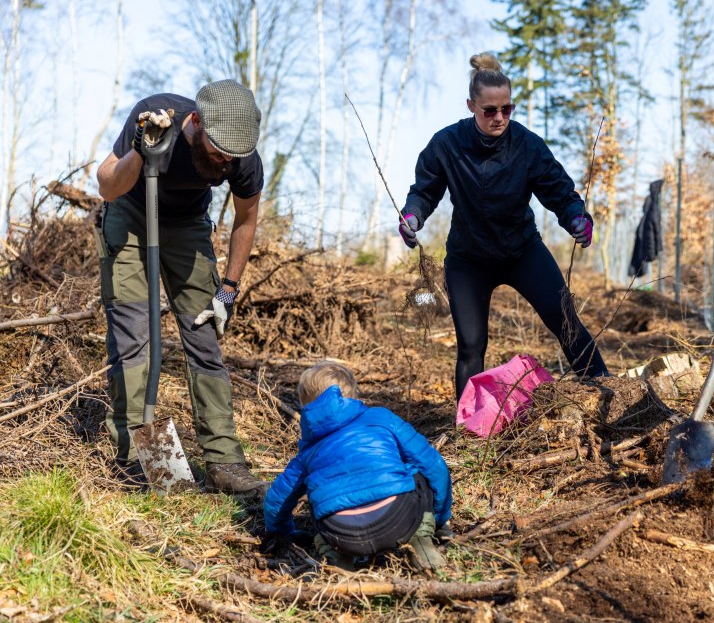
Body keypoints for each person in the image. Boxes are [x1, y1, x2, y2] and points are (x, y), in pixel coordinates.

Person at [398, 52, 609, 400]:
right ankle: (469, 427)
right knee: (470, 345)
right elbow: (424, 190)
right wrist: (412, 216)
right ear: (471, 105)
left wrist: (576, 216)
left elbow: (558, 191)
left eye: (507, 109)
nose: (500, 118)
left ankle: (608, 394)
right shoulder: (447, 144)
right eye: (490, 111)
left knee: (566, 321)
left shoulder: (527, 145)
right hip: (468, 260)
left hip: (522, 251)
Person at [95, 79, 267, 495]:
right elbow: (106, 184)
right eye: (218, 152)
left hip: (188, 227)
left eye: (233, 158)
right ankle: (134, 457)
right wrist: (141, 149)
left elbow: (246, 221)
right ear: (195, 122)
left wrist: (227, 290)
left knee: (204, 338)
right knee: (134, 337)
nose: (225, 162)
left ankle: (225, 461)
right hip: (131, 214)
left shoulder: (242, 158)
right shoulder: (156, 116)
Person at [262, 361, 452, 572]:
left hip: (342, 534)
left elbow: (276, 500)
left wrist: (283, 533)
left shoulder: (308, 452)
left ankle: (336, 557)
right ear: (353, 394)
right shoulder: (382, 418)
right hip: (399, 518)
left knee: (319, 495)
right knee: (417, 474)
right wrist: (440, 519)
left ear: (306, 404)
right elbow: (434, 467)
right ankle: (421, 538)